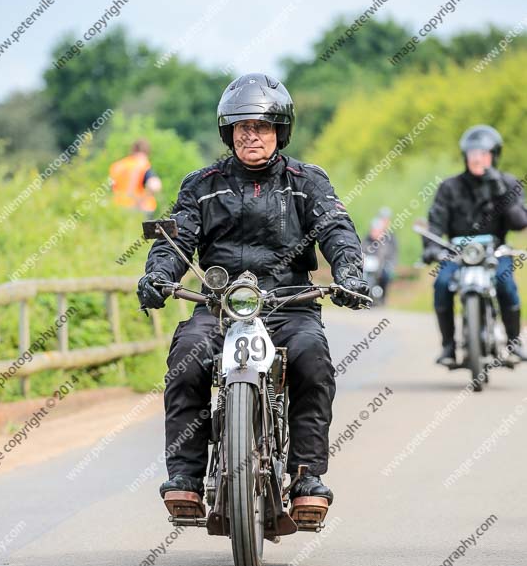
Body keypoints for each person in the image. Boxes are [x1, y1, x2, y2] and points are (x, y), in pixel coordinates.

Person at [137, 73, 369, 515]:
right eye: (242, 127)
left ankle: (307, 477)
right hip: (220, 304)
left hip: (288, 302)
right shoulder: (201, 184)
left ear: (280, 131)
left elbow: (337, 230)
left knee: (313, 361)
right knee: (186, 356)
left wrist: (350, 273)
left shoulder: (307, 181)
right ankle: (185, 474)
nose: (252, 136)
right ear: (229, 133)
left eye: (261, 127)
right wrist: (158, 275)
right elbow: (177, 239)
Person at [422, 125, 527, 364]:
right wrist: (431, 247)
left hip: (496, 252)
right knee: (441, 284)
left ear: (494, 156)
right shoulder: (449, 187)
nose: (477, 159)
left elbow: (520, 222)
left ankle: (513, 342)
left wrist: (500, 190)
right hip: (456, 254)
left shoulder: (507, 182)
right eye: (473, 153)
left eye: (484, 153)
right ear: (465, 156)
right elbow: (435, 223)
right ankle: (448, 347)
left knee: (507, 286)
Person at [109, 139, 162, 214]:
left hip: (118, 210)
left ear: (132, 150)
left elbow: (112, 186)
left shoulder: (118, 166)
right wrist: (141, 200)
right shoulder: (143, 164)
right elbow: (154, 185)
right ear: (147, 152)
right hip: (139, 211)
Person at [362, 210, 398, 301]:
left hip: (383, 265)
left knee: (385, 276)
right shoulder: (367, 239)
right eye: (373, 230)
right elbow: (362, 250)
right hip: (368, 265)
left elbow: (392, 254)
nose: (375, 232)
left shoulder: (388, 239)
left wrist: (390, 265)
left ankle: (383, 298)